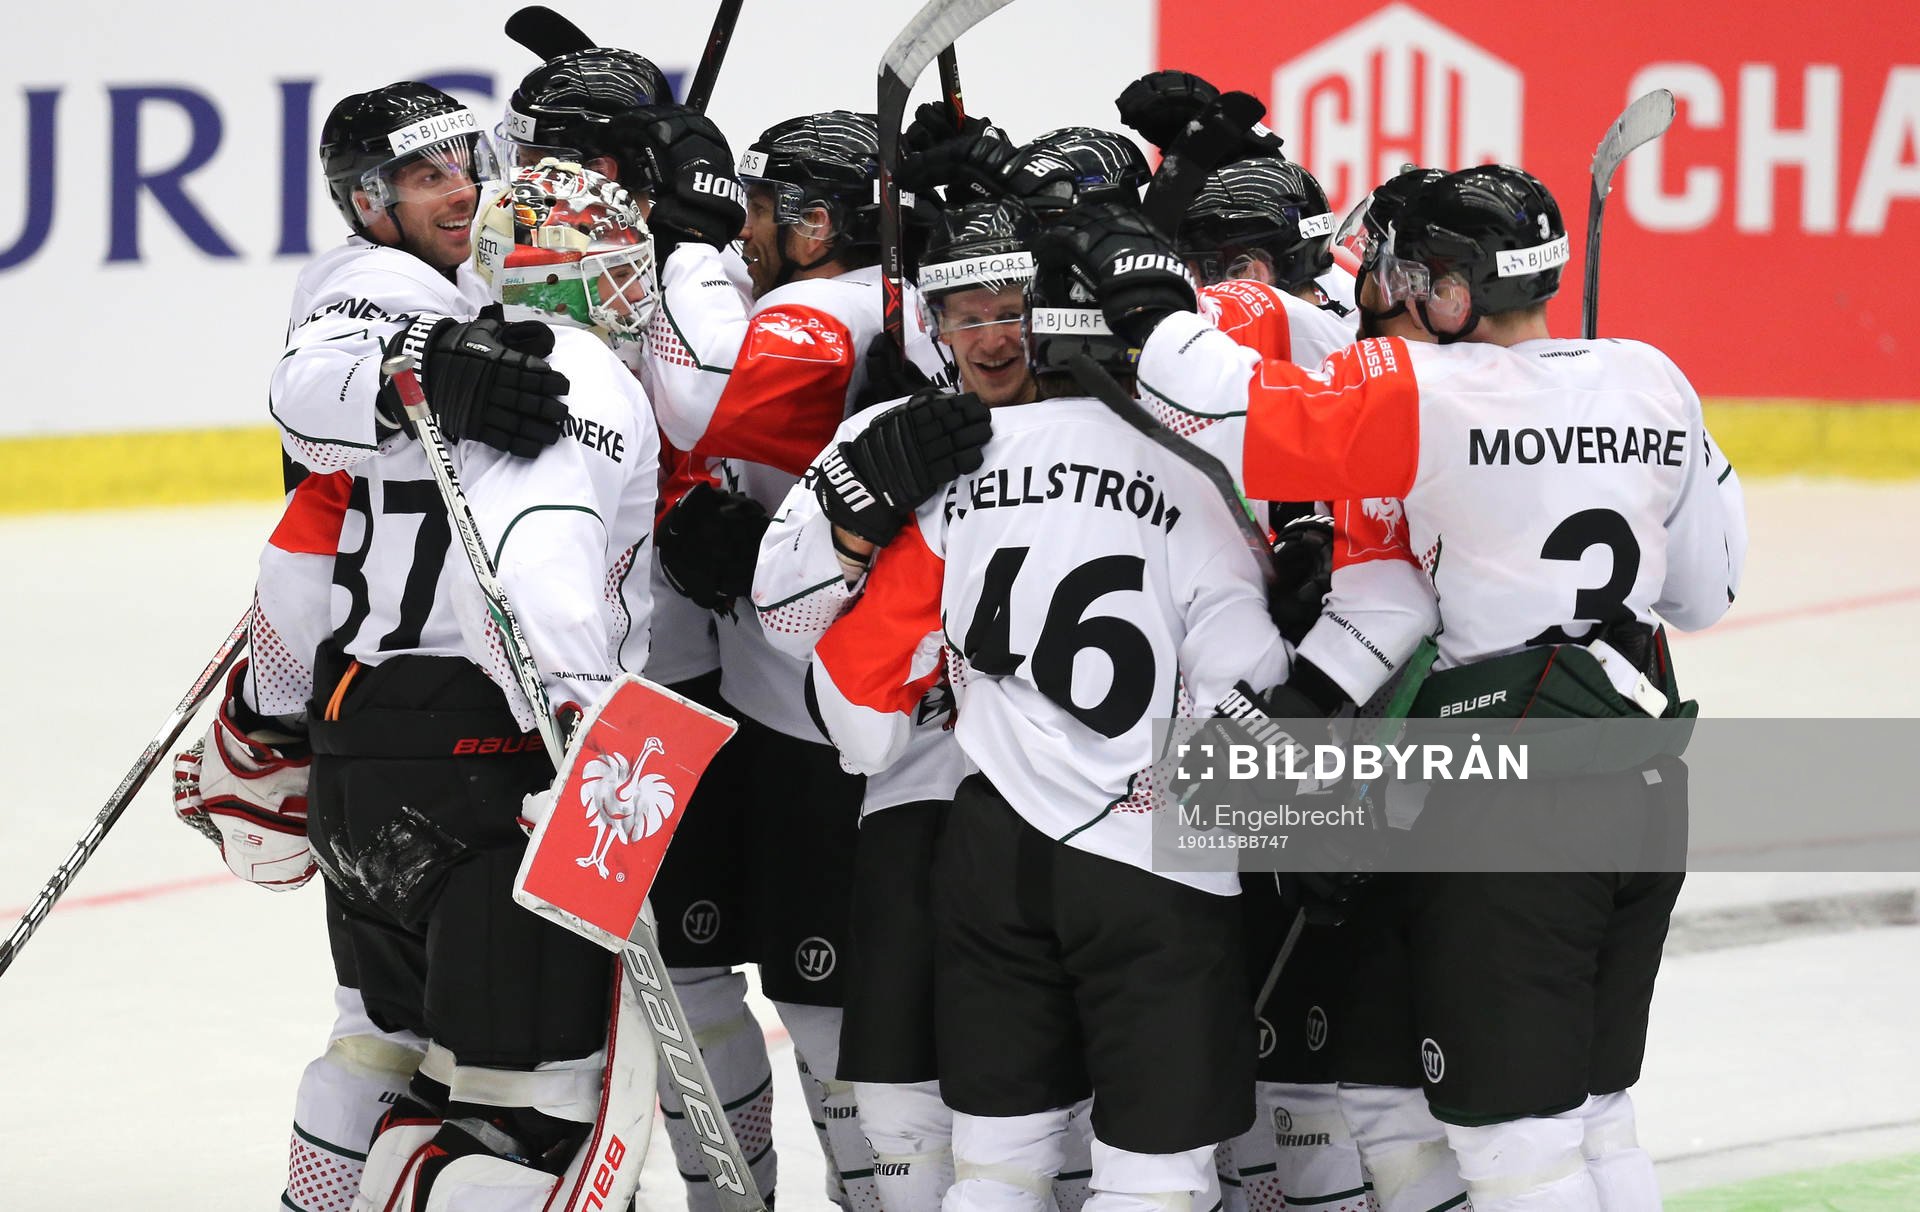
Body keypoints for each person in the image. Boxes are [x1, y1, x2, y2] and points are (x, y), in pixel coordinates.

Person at [1047, 164, 1747, 1212]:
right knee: (1598, 1121)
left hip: (1512, 803)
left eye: (1395, 272)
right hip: (1641, 779)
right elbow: (1706, 592)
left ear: (1454, 291)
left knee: (1522, 1153)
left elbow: (1222, 408)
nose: (1375, 292)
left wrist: (1141, 292)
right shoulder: (1651, 377)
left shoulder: (1424, 390)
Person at [805, 216, 1299, 1212]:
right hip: (1158, 850)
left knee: (995, 1164)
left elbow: (858, 716)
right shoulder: (1195, 471)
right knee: (1155, 1180)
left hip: (993, 855)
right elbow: (1250, 675)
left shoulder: (951, 478)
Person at [169, 79, 573, 1212]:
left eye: (466, 163)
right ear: (367, 201)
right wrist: (427, 372)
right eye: (428, 175)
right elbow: (308, 388)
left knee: (375, 1042)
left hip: (367, 724)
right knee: (493, 1078)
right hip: (444, 733)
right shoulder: (373, 282)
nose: (462, 189)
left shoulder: (448, 277)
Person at [307, 158, 662, 1210]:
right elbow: (534, 563)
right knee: (533, 1114)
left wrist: (272, 724)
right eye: (620, 266)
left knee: (423, 1082)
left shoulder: (447, 359)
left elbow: (302, 540)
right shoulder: (578, 371)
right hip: (495, 759)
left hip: (365, 740)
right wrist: (587, 743)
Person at [616, 106, 949, 1212]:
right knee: (804, 992)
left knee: (802, 995)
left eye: (761, 211)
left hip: (798, 714)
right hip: (814, 705)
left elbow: (711, 398)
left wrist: (684, 244)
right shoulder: (914, 300)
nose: (747, 231)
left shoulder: (811, 304)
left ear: (813, 227)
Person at [749, 197, 1030, 1212]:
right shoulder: (880, 432)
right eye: (966, 310)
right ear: (931, 320)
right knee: (905, 1118)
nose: (992, 335)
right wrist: (858, 506)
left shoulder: (1108, 426)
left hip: (1078, 815)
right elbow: (782, 618)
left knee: (1060, 1113)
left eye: (1015, 305)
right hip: (917, 802)